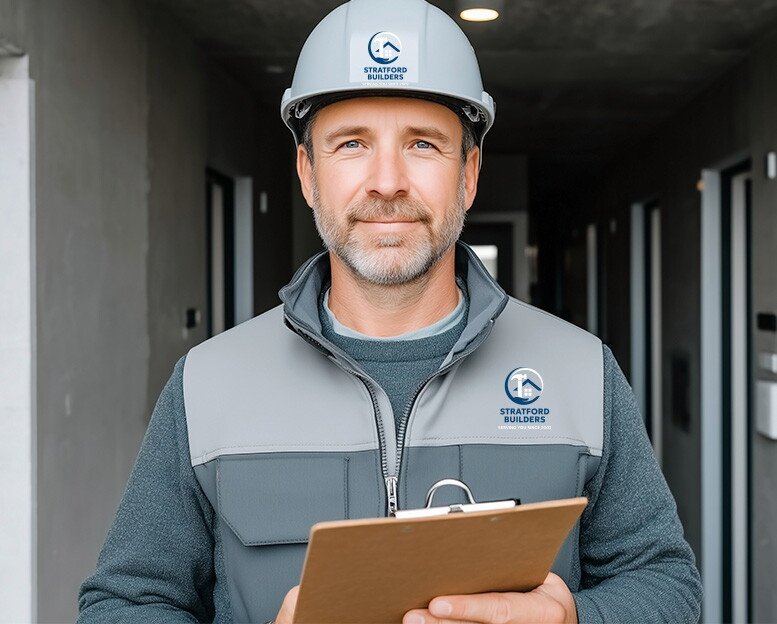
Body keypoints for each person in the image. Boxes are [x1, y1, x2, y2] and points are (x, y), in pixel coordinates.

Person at [78, 0, 703, 622]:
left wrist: (576, 622)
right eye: (351, 144)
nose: (386, 182)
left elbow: (667, 584)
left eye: (423, 144)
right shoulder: (206, 387)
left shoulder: (580, 375)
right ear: (308, 173)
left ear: (469, 174)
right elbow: (121, 606)